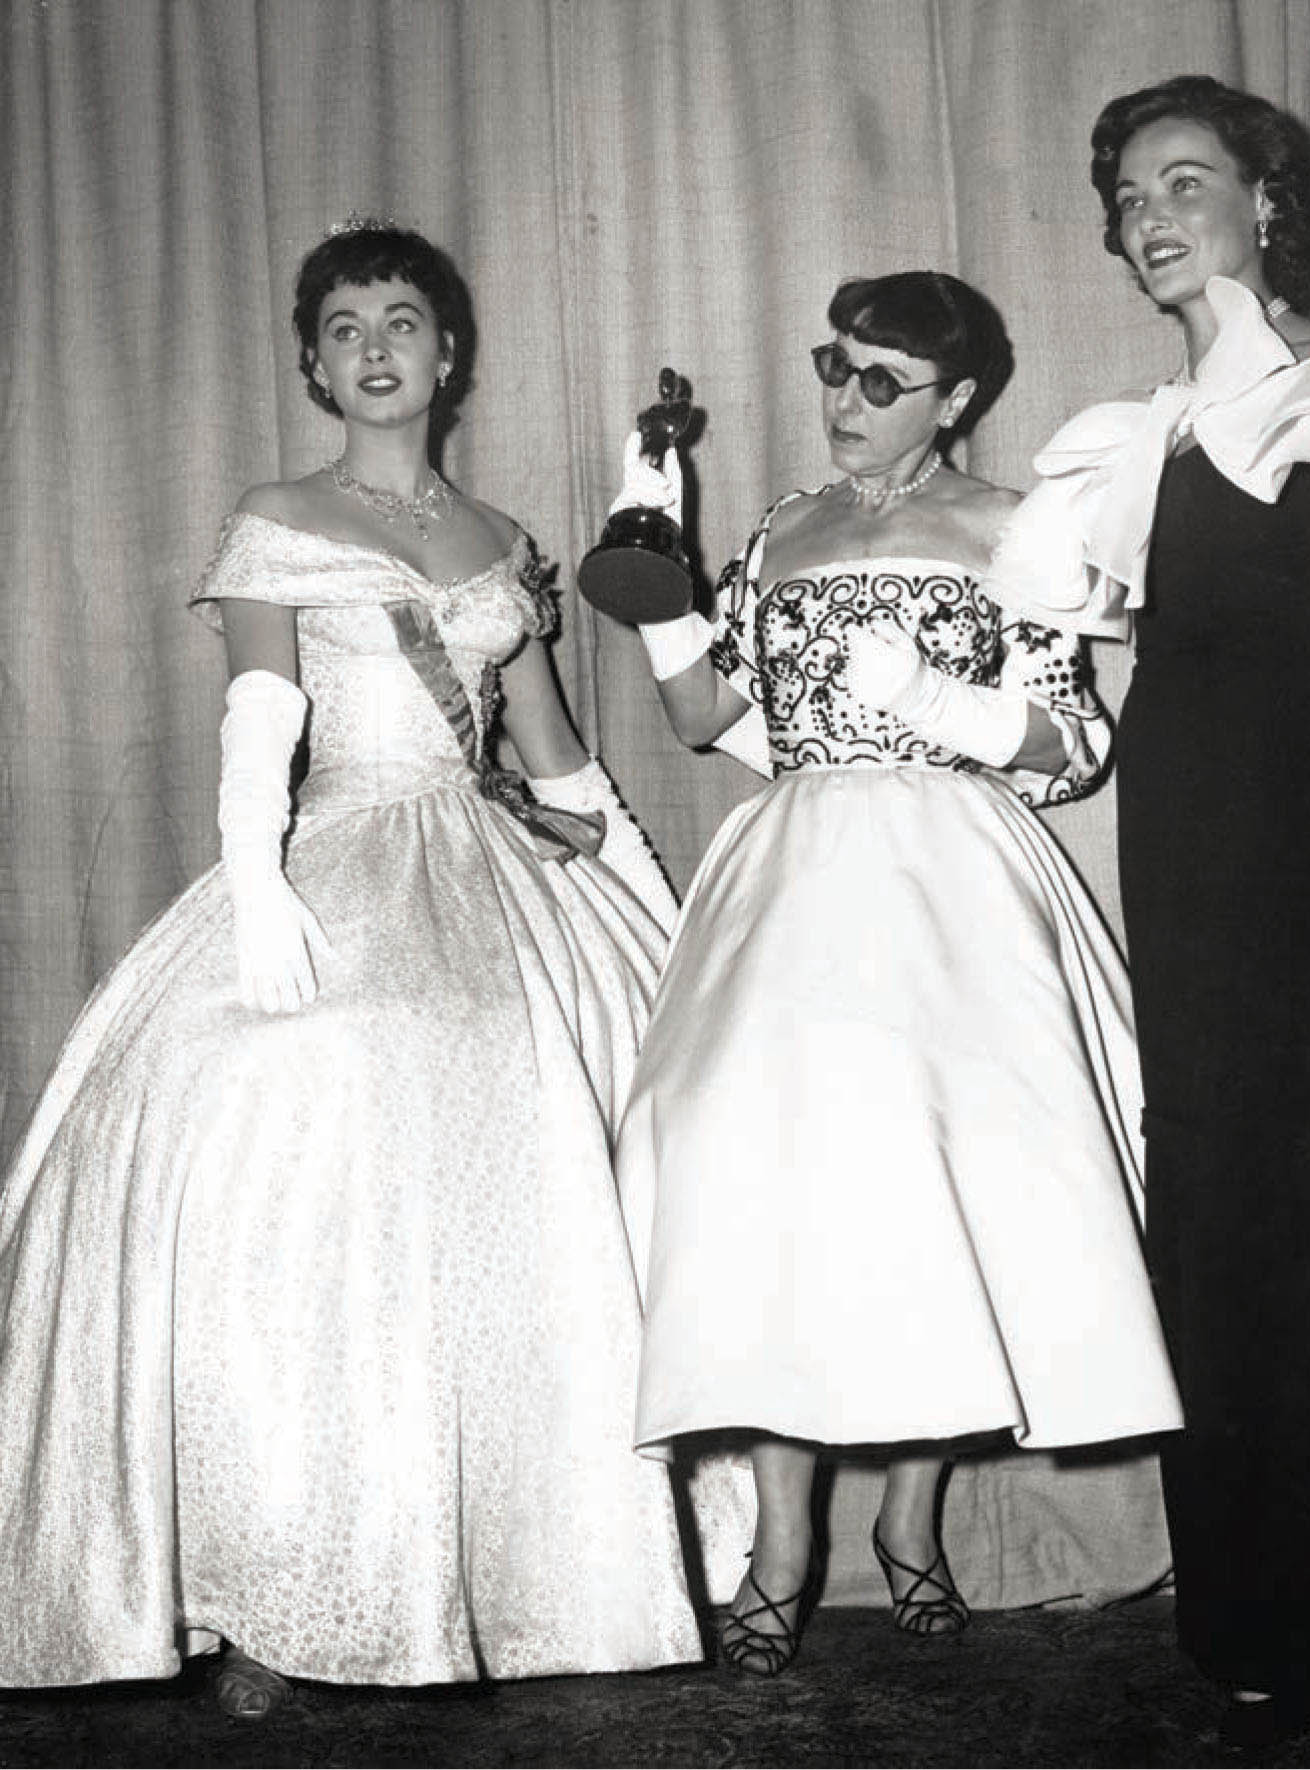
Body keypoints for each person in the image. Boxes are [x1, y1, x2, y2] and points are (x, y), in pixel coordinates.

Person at [0, 221, 740, 1711]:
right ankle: (266, 1575)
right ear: (315, 362)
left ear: (447, 353)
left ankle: (500, 1565)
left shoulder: (495, 541)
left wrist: (660, 921)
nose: (376, 345)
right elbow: (261, 712)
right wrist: (259, 879)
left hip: (491, 868)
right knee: (280, 1089)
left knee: (531, 1147)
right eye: (344, 327)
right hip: (330, 844)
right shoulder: (278, 510)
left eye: (403, 319)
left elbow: (559, 759)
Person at [984, 76, 1310, 1743]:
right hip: (1178, 822)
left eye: (1181, 184)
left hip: (1300, 824)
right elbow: (1095, 619)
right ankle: (1244, 1617)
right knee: (1205, 1194)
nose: (1149, 218)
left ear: (1265, 202)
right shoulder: (1136, 429)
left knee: (1291, 1198)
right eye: (1127, 198)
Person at [609, 270, 1183, 1676]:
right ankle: (782, 1541)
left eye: (882, 382)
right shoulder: (782, 529)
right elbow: (705, 722)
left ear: (958, 399)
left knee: (942, 1201)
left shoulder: (1014, 530)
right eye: (835, 367)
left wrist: (940, 704)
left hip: (951, 880)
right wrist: (660, 572)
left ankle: (910, 1525)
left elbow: (1076, 745)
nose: (843, 402)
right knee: (764, 1192)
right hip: (793, 873)